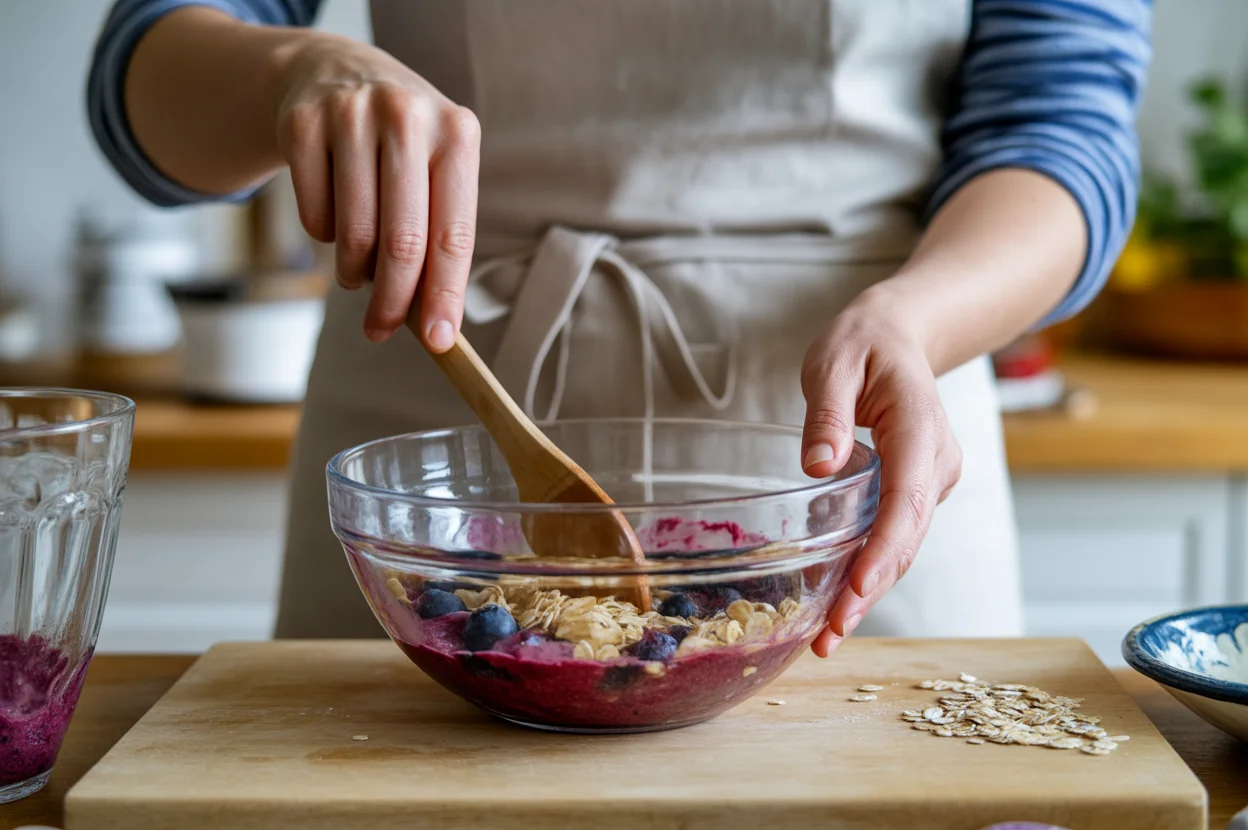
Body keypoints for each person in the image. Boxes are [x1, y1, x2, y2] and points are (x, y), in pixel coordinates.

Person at [88, 0, 1150, 653]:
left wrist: (919, 320)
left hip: (861, 433)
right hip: (445, 429)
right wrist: (290, 72)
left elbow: (1063, 127)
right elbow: (143, 82)